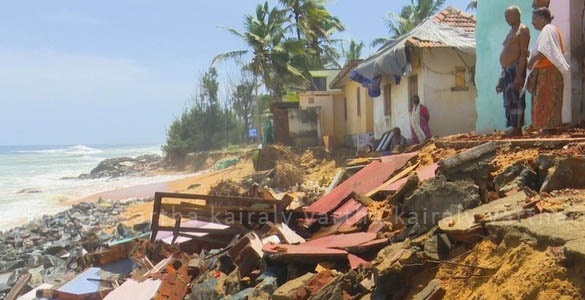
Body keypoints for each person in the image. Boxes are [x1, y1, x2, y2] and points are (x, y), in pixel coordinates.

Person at [526, 7, 570, 129]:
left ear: (542, 18)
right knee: (549, 101)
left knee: (545, 101)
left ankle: (546, 129)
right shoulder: (551, 30)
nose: (532, 22)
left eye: (534, 19)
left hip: (548, 71)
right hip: (549, 70)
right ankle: (549, 129)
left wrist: (532, 60)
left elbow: (545, 51)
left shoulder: (548, 30)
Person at [496, 6, 530, 136]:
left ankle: (517, 129)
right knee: (508, 100)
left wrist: (518, 77)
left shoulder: (523, 30)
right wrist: (501, 80)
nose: (507, 18)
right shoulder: (511, 31)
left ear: (517, 15)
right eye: (505, 16)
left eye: (509, 15)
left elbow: (523, 54)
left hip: (516, 68)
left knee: (516, 99)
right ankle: (512, 127)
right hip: (507, 70)